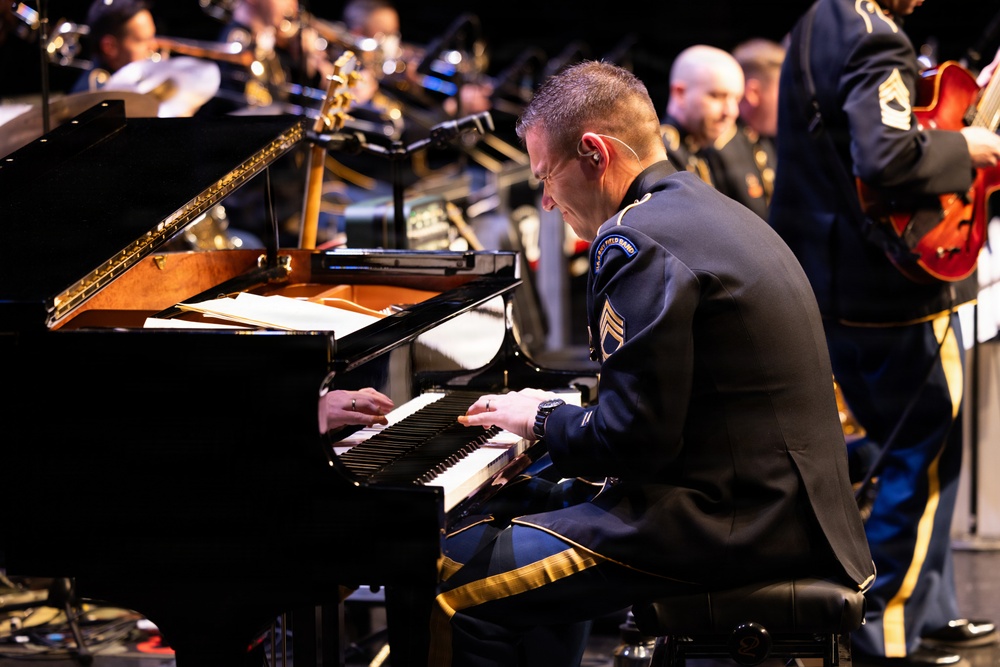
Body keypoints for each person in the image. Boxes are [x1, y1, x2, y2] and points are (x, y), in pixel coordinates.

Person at [425, 59, 875, 666]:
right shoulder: (700, 208)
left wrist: (541, 418)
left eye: (547, 177)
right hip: (773, 508)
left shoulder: (636, 240)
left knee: (445, 583)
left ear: (593, 153)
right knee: (542, 505)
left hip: (727, 526)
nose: (548, 203)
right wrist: (555, 430)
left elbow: (635, 439)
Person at [769, 0, 1000, 665]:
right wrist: (971, 145)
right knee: (922, 458)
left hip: (829, 282)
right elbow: (887, 154)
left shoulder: (815, 20)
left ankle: (931, 609)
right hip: (893, 291)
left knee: (916, 454)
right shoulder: (875, 38)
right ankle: (885, 631)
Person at [661, 43, 774, 220]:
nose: (731, 112)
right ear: (680, 94)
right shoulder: (662, 154)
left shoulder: (700, 150)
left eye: (736, 99)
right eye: (717, 96)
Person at [71, 0, 158, 93]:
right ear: (109, 47)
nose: (154, 46)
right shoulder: (92, 97)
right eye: (141, 40)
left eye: (152, 36)